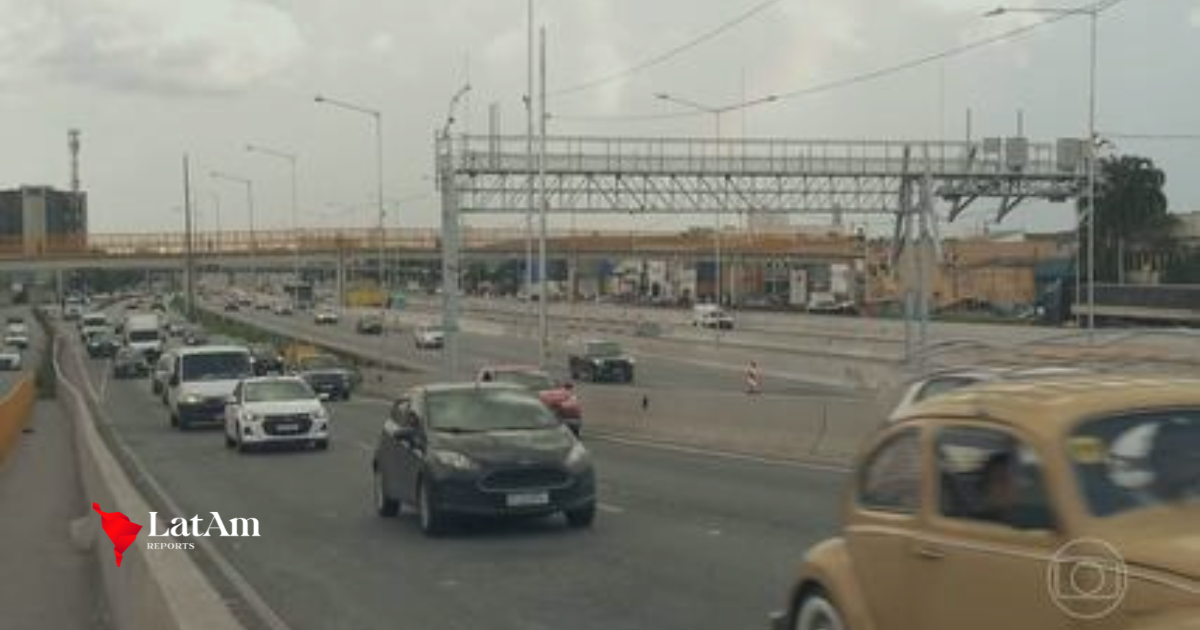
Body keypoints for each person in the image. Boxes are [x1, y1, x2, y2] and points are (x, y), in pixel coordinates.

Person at [975, 452, 1017, 524]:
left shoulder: (1029, 517)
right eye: (1000, 479)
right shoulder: (977, 523)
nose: (1006, 486)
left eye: (1009, 479)